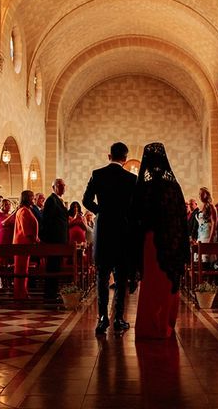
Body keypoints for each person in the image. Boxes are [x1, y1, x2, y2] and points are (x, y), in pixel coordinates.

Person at [132, 142, 189, 338]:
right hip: (171, 242)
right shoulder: (174, 187)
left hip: (150, 241)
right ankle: (165, 323)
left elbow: (135, 217)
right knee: (167, 281)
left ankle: (149, 325)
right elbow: (182, 217)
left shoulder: (143, 188)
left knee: (151, 283)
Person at [83, 142, 137, 334]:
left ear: (109, 156)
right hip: (123, 230)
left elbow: (86, 200)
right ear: (125, 158)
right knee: (121, 278)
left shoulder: (98, 174)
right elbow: (135, 207)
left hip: (104, 230)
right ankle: (119, 318)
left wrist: (101, 211)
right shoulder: (131, 179)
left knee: (102, 276)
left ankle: (103, 318)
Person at [40, 179, 69, 300]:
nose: (62, 187)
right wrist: (49, 239)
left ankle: (53, 293)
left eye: (63, 185)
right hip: (54, 240)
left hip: (59, 240)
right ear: (54, 187)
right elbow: (47, 221)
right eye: (60, 185)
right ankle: (49, 294)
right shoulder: (51, 200)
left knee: (56, 267)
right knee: (52, 267)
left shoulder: (58, 200)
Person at [13, 190, 39, 299]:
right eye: (32, 197)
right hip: (22, 244)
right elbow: (26, 230)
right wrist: (36, 240)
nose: (33, 199)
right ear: (26, 198)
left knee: (24, 269)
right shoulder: (23, 211)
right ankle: (20, 294)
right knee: (21, 270)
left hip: (25, 244)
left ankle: (23, 292)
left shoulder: (26, 210)